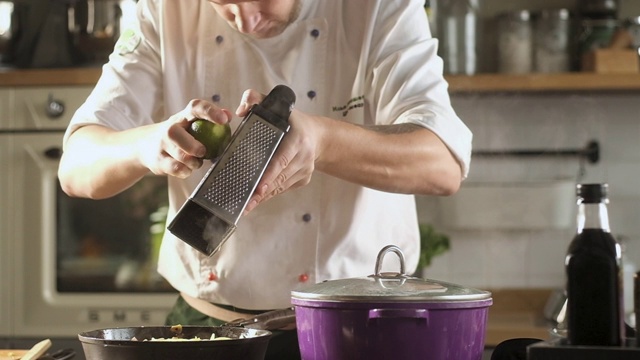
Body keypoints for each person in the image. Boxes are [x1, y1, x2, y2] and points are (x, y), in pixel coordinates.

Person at [58, 0, 472, 358]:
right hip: (209, 329)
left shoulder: (379, 8)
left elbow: (442, 164)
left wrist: (324, 141)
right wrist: (148, 144)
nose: (245, 21)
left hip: (353, 330)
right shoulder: (165, 9)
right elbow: (76, 167)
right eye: (222, 4)